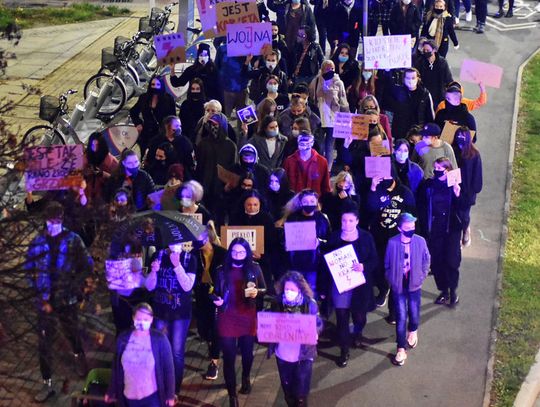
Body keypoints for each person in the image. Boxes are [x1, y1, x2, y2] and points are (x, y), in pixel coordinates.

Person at [26, 201, 94, 402]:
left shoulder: (73, 240)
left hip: (67, 298)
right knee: (44, 342)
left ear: (61, 220)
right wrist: (36, 290)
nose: (53, 224)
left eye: (56, 220)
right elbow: (28, 267)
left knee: (71, 332)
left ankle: (78, 354)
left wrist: (77, 284)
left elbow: (87, 264)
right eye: (50, 221)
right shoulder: (38, 242)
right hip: (45, 300)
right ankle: (47, 383)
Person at [212, 238, 266, 407]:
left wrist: (257, 291)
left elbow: (265, 288)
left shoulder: (254, 268)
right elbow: (213, 291)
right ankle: (232, 394)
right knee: (228, 357)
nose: (238, 255)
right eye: (234, 252)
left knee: (247, 354)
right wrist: (216, 300)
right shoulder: (221, 270)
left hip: (247, 316)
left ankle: (245, 377)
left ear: (247, 253)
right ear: (230, 252)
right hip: (227, 316)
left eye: (241, 252)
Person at [323, 209, 378, 367]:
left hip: (359, 286)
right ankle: (344, 350)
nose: (346, 224)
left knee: (359, 316)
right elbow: (326, 259)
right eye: (344, 221)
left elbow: (374, 260)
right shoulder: (334, 236)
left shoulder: (366, 237)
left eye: (350, 221)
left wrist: (364, 266)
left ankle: (358, 333)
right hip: (340, 286)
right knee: (342, 318)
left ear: (357, 221)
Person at [145, 242, 197, 394]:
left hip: (180, 314)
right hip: (161, 312)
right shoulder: (158, 255)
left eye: (179, 242)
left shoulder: (189, 259)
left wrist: (177, 265)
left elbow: (187, 286)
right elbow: (149, 286)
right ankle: (161, 385)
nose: (176, 245)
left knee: (176, 352)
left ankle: (174, 390)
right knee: (161, 349)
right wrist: (153, 272)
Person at [366, 170, 416, 322]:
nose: (384, 178)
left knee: (397, 278)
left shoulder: (404, 192)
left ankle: (395, 313)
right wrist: (373, 188)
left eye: (388, 175)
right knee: (379, 270)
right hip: (379, 239)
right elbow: (369, 209)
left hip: (398, 242)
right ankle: (382, 291)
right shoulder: (377, 188)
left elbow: (413, 216)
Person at [267, 271, 322, 406]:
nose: (289, 292)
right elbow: (270, 321)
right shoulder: (277, 303)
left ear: (300, 289)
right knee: (288, 390)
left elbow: (318, 323)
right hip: (283, 354)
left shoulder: (310, 304)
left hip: (303, 355)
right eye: (286, 289)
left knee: (301, 392)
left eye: (292, 289)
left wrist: (315, 332)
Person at [105, 303, 176, 407]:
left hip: (152, 398)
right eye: (139, 319)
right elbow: (116, 368)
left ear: (151, 320)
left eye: (146, 319)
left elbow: (168, 369)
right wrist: (111, 390)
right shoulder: (123, 339)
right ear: (133, 318)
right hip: (129, 398)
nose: (142, 322)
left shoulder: (160, 340)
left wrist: (170, 395)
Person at [384, 212, 430, 366]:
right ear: (399, 228)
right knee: (401, 316)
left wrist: (421, 276)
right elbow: (387, 264)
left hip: (414, 284)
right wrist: (392, 279)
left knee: (414, 311)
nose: (411, 229)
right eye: (407, 227)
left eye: (413, 226)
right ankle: (400, 348)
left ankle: (413, 330)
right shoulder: (392, 243)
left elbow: (426, 259)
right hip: (398, 285)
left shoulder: (420, 241)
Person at [417, 157, 462, 306]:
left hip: (451, 231)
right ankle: (443, 290)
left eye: (439, 169)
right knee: (436, 262)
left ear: (448, 170)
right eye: (435, 168)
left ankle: (453, 291)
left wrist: (457, 195)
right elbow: (422, 205)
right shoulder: (428, 185)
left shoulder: (454, 186)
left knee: (451, 261)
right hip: (434, 229)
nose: (436, 171)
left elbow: (462, 208)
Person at [193, 226, 227, 381]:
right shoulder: (194, 254)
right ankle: (212, 344)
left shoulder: (221, 254)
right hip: (201, 295)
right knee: (203, 329)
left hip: (217, 295)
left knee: (216, 328)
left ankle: (214, 362)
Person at [283, 189, 331, 296]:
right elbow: (285, 238)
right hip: (295, 262)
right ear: (301, 203)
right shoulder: (293, 218)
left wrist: (319, 242)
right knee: (295, 290)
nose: (309, 204)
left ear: (316, 202)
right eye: (306, 201)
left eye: (311, 201)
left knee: (311, 291)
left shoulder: (322, 219)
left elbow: (328, 240)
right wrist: (286, 243)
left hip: (313, 263)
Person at [195, 113, 238, 218]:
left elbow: (234, 167)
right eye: (210, 124)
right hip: (205, 189)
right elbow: (199, 166)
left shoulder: (230, 146)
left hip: (222, 190)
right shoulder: (203, 144)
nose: (213, 127)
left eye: (216, 124)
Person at [309, 59, 350, 169]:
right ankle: (318, 166)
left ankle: (328, 169)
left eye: (332, 68)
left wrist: (347, 118)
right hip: (319, 118)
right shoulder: (317, 81)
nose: (330, 70)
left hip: (333, 119)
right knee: (320, 144)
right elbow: (312, 98)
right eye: (327, 68)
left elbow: (343, 101)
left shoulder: (338, 82)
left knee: (330, 146)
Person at [129, 76, 176, 155]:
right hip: (147, 133)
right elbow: (133, 111)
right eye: (153, 84)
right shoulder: (144, 98)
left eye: (157, 85)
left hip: (162, 133)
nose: (154, 87)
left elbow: (172, 117)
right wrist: (138, 123)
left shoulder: (168, 100)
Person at [452, 126, 483, 247]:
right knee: (456, 214)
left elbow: (477, 174)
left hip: (468, 192)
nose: (460, 139)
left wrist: (473, 191)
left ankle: (465, 230)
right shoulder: (453, 151)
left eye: (463, 136)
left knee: (464, 216)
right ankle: (458, 237)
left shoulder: (474, 154)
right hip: (455, 189)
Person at [388, 68, 435, 140]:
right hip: (401, 133)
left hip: (419, 133)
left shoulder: (424, 94)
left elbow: (430, 116)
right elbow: (392, 114)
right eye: (408, 78)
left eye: (413, 78)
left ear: (418, 78)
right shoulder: (398, 93)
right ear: (404, 79)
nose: (410, 80)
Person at [146, 116, 195, 181]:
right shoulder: (155, 141)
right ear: (167, 126)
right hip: (158, 177)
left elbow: (190, 163)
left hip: (179, 178)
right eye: (176, 126)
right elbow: (149, 159)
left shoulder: (185, 142)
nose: (179, 128)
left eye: (180, 126)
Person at [283, 132, 331, 196]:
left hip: (314, 202)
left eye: (307, 144)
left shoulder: (322, 162)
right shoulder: (289, 161)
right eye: (302, 144)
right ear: (298, 143)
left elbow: (326, 187)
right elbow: (284, 185)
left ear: (312, 143)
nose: (304, 146)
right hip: (294, 202)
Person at [413, 39, 453, 107]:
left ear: (434, 50)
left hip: (439, 96)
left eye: (428, 50)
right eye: (424, 50)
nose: (425, 52)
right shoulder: (419, 62)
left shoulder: (442, 63)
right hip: (424, 96)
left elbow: (448, 79)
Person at [83, 131, 118, 205]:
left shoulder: (111, 161)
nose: (94, 147)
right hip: (86, 195)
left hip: (104, 197)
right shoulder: (85, 157)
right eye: (93, 145)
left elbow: (117, 179)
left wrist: (102, 174)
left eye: (97, 145)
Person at [179, 78, 207, 144]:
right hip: (187, 137)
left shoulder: (206, 105)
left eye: (197, 89)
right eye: (193, 89)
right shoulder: (185, 104)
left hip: (202, 138)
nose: (195, 91)